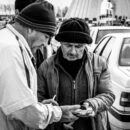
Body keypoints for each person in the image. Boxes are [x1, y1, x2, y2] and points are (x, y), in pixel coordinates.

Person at [0, 1, 80, 130]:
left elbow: (12, 101)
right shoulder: (11, 49)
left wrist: (38, 105)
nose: (47, 43)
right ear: (30, 28)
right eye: (46, 36)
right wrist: (58, 113)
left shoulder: (9, 41)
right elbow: (22, 109)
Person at [37, 18, 115, 130]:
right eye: (68, 45)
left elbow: (108, 95)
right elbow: (36, 99)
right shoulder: (46, 67)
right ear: (60, 43)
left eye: (78, 46)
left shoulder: (99, 64)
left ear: (85, 45)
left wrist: (92, 105)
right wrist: (46, 106)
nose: (73, 52)